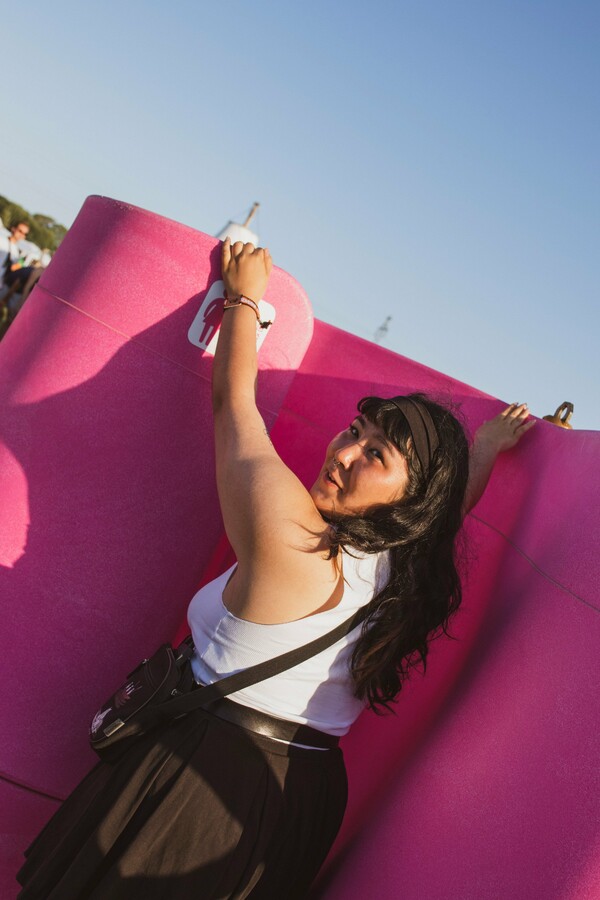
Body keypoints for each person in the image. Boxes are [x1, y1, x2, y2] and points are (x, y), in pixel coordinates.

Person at [17, 240, 534, 899]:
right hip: (298, 799)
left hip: (201, 778)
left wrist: (244, 296)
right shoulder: (407, 565)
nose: (344, 453)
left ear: (411, 498)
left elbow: (234, 408)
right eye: (355, 431)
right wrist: (485, 450)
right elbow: (449, 510)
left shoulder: (298, 543)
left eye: (375, 455)